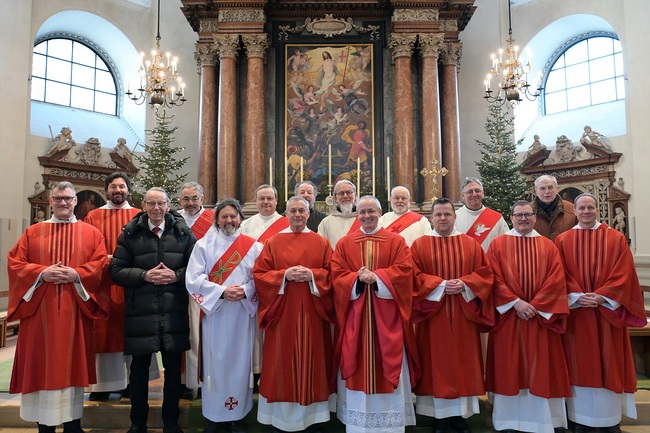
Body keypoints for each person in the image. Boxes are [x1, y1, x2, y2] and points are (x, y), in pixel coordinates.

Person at [7, 181, 109, 433]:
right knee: (41, 364)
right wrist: (42, 273)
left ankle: (73, 424)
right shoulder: (32, 232)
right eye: (58, 199)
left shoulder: (92, 234)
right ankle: (45, 426)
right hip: (39, 315)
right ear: (51, 201)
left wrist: (76, 274)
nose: (63, 203)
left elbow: (100, 266)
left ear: (76, 201)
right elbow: (15, 263)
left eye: (68, 198)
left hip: (76, 312)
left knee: (73, 365)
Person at [555, 194, 646, 433]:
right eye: (582, 208)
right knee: (579, 364)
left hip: (607, 314)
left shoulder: (615, 239)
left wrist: (602, 296)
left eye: (590, 207)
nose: (586, 212)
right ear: (574, 211)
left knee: (610, 364)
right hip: (578, 314)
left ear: (598, 209)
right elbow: (558, 274)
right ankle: (579, 420)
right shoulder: (563, 240)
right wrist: (576, 296)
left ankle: (609, 421)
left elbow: (624, 274)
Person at [330, 195, 421, 433]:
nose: (367, 216)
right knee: (355, 359)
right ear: (357, 215)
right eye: (362, 212)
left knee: (387, 362)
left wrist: (377, 277)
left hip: (387, 318)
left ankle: (389, 425)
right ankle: (358, 425)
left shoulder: (396, 241)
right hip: (356, 319)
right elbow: (336, 274)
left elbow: (405, 271)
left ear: (381, 213)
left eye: (371, 211)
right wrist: (356, 280)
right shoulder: (344, 243)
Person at [110, 187, 195, 433]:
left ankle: (171, 422)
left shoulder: (183, 233)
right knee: (138, 371)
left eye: (161, 203)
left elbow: (198, 271)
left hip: (173, 311)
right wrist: (145, 275)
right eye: (151, 203)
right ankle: (138, 423)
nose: (156, 208)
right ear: (143, 206)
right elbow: (116, 271)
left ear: (169, 206)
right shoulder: (130, 233)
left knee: (172, 371)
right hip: (141, 311)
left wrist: (175, 276)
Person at [486, 200, 571, 433]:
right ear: (510, 217)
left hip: (539, 319)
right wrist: (516, 303)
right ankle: (508, 421)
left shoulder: (548, 246)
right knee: (509, 367)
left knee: (541, 366)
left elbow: (556, 279)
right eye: (518, 215)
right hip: (510, 318)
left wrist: (535, 305)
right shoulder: (498, 245)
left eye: (527, 215)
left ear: (534, 217)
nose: (523, 219)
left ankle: (544, 420)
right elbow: (492, 278)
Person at [411, 198, 494, 433]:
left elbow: (485, 274)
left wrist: (466, 285)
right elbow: (412, 276)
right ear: (431, 218)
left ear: (455, 217)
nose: (443, 218)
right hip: (433, 318)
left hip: (462, 317)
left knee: (462, 364)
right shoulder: (419, 245)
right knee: (434, 364)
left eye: (447, 214)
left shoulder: (470, 244)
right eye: (438, 215)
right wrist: (439, 286)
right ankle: (438, 417)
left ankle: (460, 416)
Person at [252, 196, 335, 432]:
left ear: (309, 214)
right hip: (283, 313)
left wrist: (313, 276)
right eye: (293, 211)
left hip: (312, 312)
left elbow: (332, 274)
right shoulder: (273, 242)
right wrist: (283, 276)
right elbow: (260, 274)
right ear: (286, 214)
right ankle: (280, 420)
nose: (297, 214)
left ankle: (314, 419)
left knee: (313, 360)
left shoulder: (321, 243)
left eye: (302, 210)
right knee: (282, 361)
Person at [185, 198, 263, 433]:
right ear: (217, 220)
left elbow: (261, 278)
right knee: (215, 365)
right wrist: (221, 292)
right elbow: (193, 280)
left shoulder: (253, 246)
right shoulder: (203, 246)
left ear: (240, 218)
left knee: (240, 364)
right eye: (224, 216)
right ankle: (214, 418)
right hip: (216, 317)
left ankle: (236, 416)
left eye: (233, 216)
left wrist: (247, 291)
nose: (229, 220)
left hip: (242, 316)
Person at [84, 173, 144, 401]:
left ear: (128, 189)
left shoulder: (139, 215)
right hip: (103, 284)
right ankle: (102, 386)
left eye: (121, 186)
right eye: (113, 186)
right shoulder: (93, 216)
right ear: (106, 189)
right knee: (103, 333)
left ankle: (131, 383)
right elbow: (88, 247)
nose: (117, 190)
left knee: (132, 332)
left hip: (130, 283)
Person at [240, 184, 289, 380]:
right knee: (253, 333)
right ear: (256, 201)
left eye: (270, 198)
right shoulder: (246, 225)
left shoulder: (287, 224)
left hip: (279, 286)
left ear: (277, 201)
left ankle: (274, 371)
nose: (266, 202)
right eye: (262, 198)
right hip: (253, 285)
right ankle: (256, 371)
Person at [177, 181, 215, 397]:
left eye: (194, 198)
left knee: (199, 335)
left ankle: (199, 381)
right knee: (180, 333)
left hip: (202, 285)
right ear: (180, 200)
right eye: (186, 199)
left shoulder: (212, 220)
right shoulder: (173, 218)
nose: (190, 203)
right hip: (176, 283)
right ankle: (182, 381)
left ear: (202, 199)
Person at [455, 177, 509, 252]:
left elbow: (506, 244)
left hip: (490, 263)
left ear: (482, 193)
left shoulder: (497, 218)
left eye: (477, 191)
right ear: (463, 196)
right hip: (466, 263)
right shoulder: (455, 217)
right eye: (470, 192)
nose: (474, 194)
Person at [532, 175, 577, 241]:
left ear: (556, 189)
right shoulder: (527, 211)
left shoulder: (572, 209)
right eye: (542, 188)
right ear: (536, 191)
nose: (547, 192)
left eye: (550, 187)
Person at [317, 180, 361, 249]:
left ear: (355, 196)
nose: (345, 196)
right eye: (341, 193)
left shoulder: (364, 220)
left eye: (349, 192)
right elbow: (320, 248)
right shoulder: (326, 222)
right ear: (335, 198)